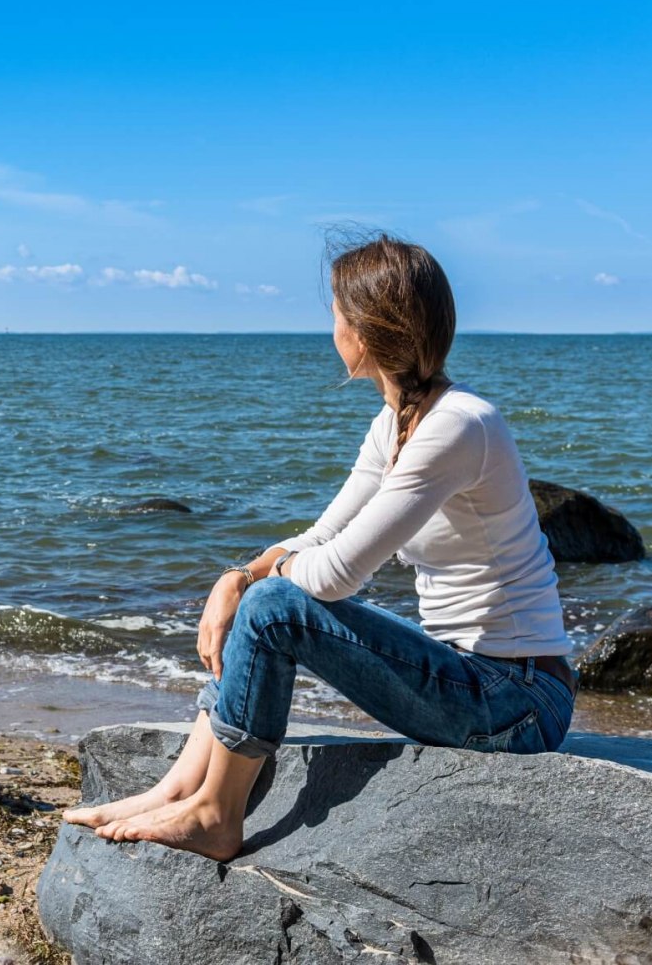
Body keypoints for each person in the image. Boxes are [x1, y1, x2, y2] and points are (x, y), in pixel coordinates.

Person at [63, 232, 575, 862]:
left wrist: (256, 585)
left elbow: (334, 576)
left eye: (336, 313)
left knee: (276, 607)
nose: (330, 326)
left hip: (517, 700)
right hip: (470, 676)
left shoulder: (457, 425)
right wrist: (235, 577)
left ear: (366, 331)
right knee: (264, 595)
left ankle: (218, 814)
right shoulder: (396, 423)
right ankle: (179, 785)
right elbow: (321, 535)